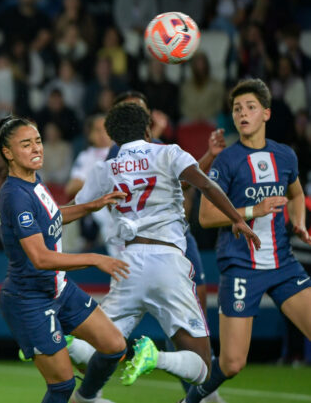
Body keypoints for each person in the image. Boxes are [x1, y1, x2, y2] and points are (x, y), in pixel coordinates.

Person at [0, 107, 131, 403]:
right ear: (8, 153)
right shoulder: (14, 195)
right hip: (29, 301)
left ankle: (86, 396)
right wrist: (96, 258)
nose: (37, 147)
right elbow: (40, 257)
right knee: (61, 386)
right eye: (26, 144)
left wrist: (90, 206)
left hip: (58, 290)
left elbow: (51, 217)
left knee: (115, 346)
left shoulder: (33, 182)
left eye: (37, 141)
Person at [70, 102, 259, 398]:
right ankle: (155, 357)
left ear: (114, 138)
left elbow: (75, 209)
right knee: (203, 367)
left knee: (104, 345)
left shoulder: (104, 168)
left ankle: (61, 344)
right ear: (148, 129)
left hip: (128, 263)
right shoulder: (169, 151)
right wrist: (237, 218)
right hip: (167, 260)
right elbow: (206, 186)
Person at [182, 80, 311, 403]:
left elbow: (295, 193)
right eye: (237, 109)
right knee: (232, 363)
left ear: (266, 113)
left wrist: (299, 222)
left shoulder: (284, 155)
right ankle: (190, 400)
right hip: (241, 266)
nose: (242, 113)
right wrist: (254, 210)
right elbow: (206, 217)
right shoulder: (226, 161)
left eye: (250, 107)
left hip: (283, 264)